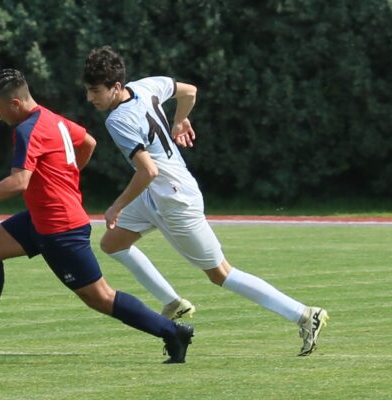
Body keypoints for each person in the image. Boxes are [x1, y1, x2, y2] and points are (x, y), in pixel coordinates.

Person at [82, 46, 329, 356]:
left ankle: (305, 315)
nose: (90, 98)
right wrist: (180, 121)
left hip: (174, 199)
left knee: (221, 274)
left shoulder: (117, 120)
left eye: (95, 91)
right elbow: (189, 92)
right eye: (88, 91)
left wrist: (116, 205)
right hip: (158, 195)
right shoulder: (146, 85)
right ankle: (173, 302)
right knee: (112, 244)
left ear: (116, 87)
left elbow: (148, 170)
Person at [0, 68, 194, 363]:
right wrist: (67, 174)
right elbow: (88, 142)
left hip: (60, 228)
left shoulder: (26, 130)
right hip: (40, 217)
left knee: (99, 297)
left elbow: (19, 181)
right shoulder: (51, 118)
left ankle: (173, 331)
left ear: (14, 104)